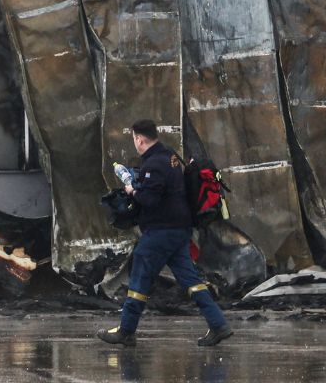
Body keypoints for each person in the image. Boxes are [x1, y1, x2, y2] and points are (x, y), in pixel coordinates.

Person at [97, 119, 233, 348]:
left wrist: (132, 189)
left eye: (134, 139)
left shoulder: (155, 164)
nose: (135, 143)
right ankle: (218, 324)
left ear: (139, 139)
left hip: (161, 231)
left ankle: (126, 330)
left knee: (140, 274)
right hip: (179, 230)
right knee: (191, 280)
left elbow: (149, 199)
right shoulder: (170, 157)